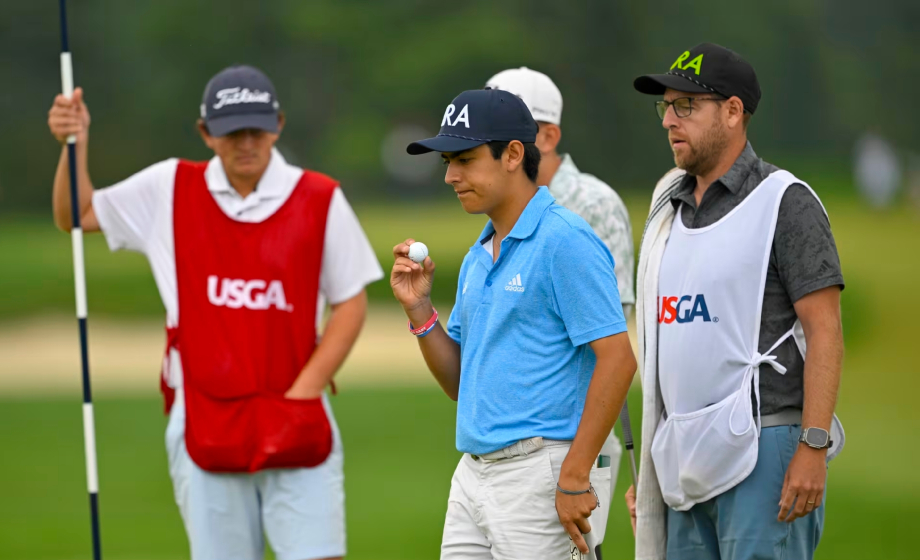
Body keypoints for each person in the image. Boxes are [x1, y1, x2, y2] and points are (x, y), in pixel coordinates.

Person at [47, 65, 383, 560]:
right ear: (206, 133)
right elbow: (77, 213)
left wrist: (306, 390)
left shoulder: (319, 196)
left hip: (297, 408)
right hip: (203, 415)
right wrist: (74, 143)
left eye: (256, 129)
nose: (246, 143)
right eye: (231, 132)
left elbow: (351, 300)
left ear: (279, 125)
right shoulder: (170, 186)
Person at [391, 87, 637, 560]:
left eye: (463, 158)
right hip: (473, 474)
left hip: (541, 473)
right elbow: (462, 381)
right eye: (447, 161)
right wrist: (419, 312)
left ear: (513, 154)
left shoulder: (565, 240)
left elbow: (618, 358)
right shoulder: (477, 255)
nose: (450, 175)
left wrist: (575, 473)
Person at [626, 43, 846, 560]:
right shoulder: (667, 212)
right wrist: (657, 478)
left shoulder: (785, 201)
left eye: (686, 106)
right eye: (666, 107)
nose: (669, 121)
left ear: (732, 111)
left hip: (766, 447)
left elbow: (825, 330)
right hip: (682, 455)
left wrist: (813, 446)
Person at [485, 67, 635, 319]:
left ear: (548, 137)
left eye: (508, 129)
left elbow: (609, 321)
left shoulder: (594, 204)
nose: (490, 142)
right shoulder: (499, 198)